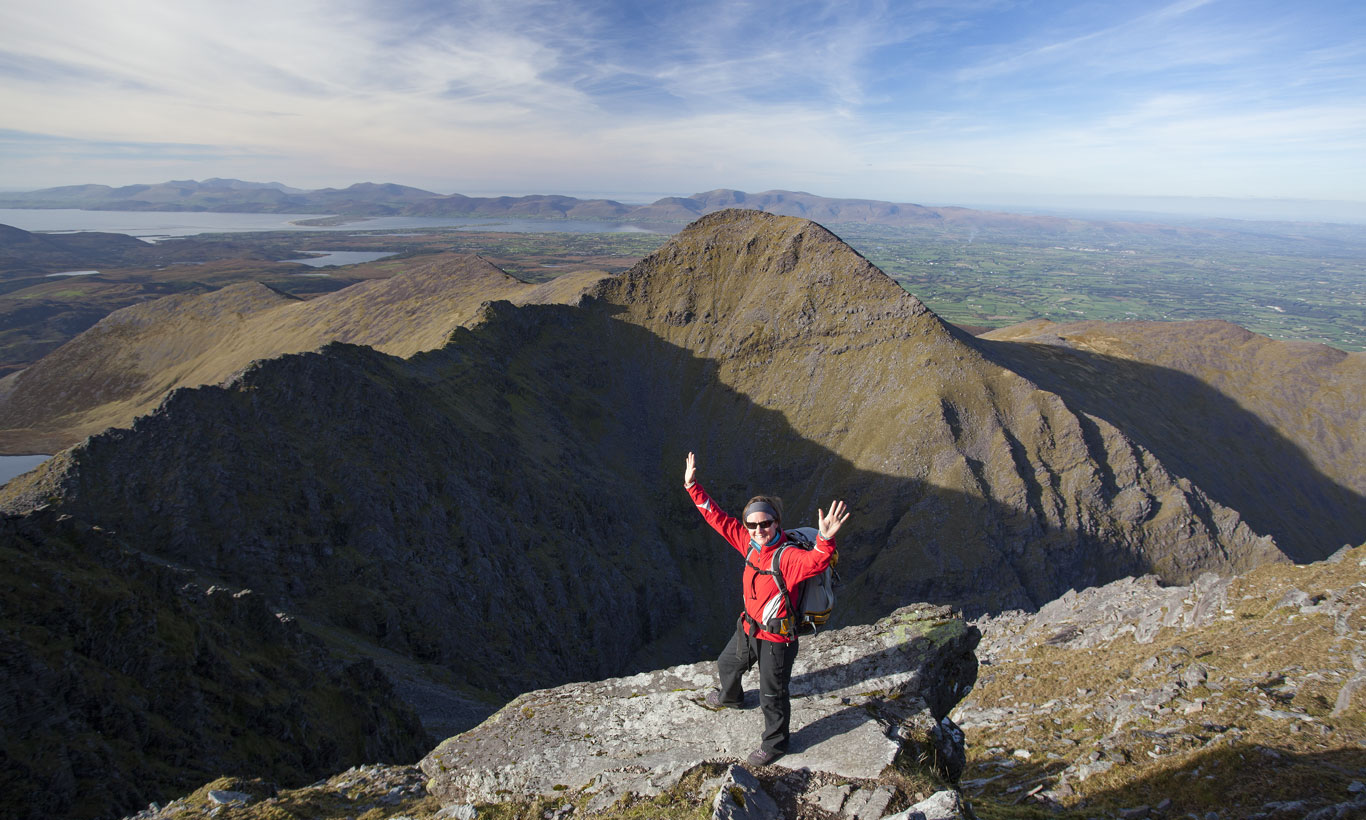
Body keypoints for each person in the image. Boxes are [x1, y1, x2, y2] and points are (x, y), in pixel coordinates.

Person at [683, 450, 849, 766]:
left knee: (771, 695)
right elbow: (715, 517)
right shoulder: (747, 541)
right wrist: (693, 486)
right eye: (753, 524)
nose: (759, 530)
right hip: (748, 628)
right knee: (727, 664)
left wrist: (825, 539)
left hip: (777, 640)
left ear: (776, 523)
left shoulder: (786, 557)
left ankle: (775, 744)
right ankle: (730, 697)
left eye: (766, 524)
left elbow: (815, 562)